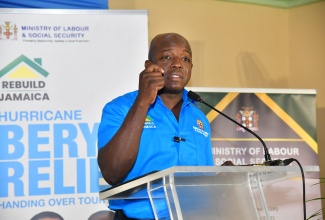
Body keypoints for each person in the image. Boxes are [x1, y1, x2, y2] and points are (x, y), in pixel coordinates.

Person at [97, 33, 214, 219]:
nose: (177, 64)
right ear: (149, 66)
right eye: (167, 57)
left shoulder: (199, 118)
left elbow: (205, 181)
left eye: (185, 58)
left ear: (191, 67)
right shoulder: (120, 108)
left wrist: (224, 178)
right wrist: (143, 101)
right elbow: (112, 172)